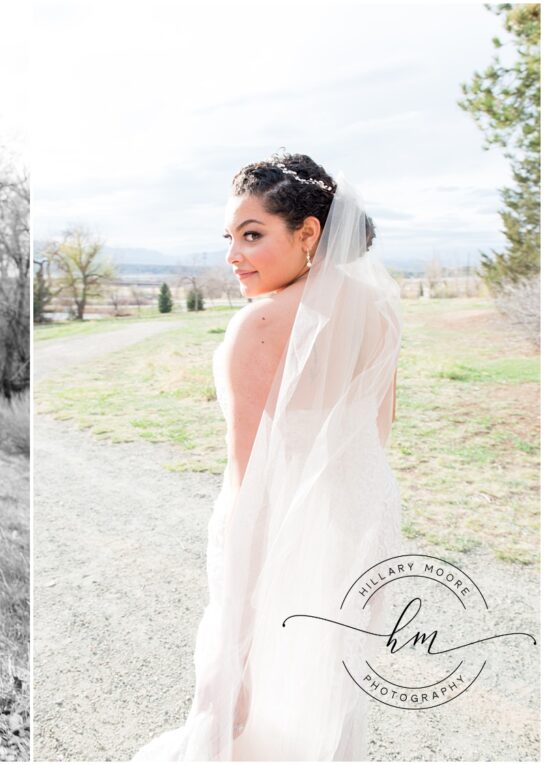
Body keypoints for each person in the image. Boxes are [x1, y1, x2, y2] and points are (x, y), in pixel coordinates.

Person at [135, 154, 402, 760]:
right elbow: (376, 444)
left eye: (252, 235)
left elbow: (249, 494)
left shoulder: (257, 326)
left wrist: (238, 647)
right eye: (230, 238)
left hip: (278, 563)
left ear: (309, 234)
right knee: (322, 724)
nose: (233, 256)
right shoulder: (381, 314)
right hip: (351, 553)